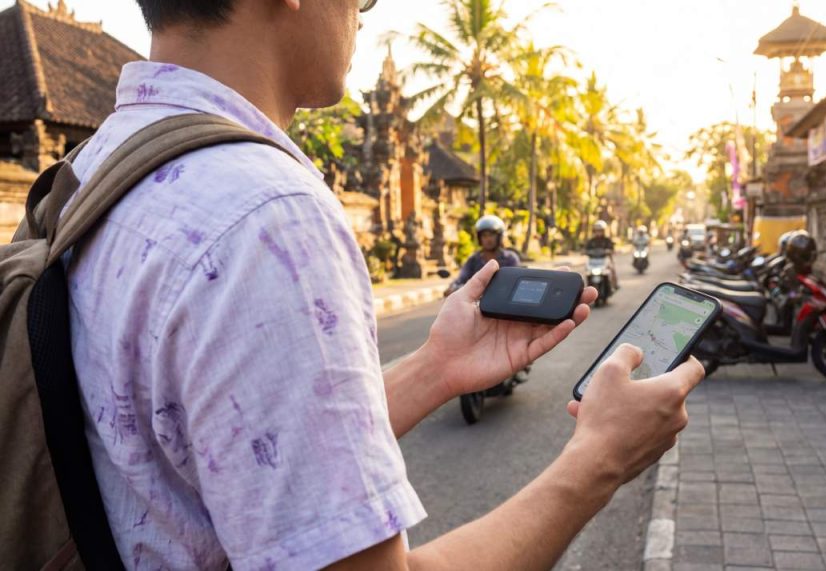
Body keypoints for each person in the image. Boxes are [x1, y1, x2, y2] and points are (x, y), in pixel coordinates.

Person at [63, 1, 704, 569]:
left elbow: (213, 455)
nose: (363, 11)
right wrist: (600, 459)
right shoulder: (268, 216)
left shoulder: (92, 169)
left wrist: (435, 367)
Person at [446, 215, 519, 296]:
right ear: (479, 238)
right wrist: (452, 287)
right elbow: (461, 278)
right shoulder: (473, 260)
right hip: (475, 303)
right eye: (484, 235)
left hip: (502, 302)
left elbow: (515, 283)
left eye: (492, 235)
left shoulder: (510, 258)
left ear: (499, 237)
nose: (488, 239)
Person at [585, 220, 618, 290]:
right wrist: (584, 251)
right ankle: (588, 287)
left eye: (600, 231)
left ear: (604, 231)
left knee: (612, 269)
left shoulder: (607, 240)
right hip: (593, 260)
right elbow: (586, 249)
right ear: (594, 231)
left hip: (605, 259)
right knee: (587, 272)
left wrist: (609, 250)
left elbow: (612, 248)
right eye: (597, 231)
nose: (598, 232)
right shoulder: (591, 241)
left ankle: (614, 285)